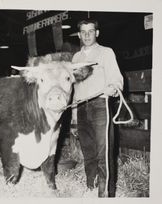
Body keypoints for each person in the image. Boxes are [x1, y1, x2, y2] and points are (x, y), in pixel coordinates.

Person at [71, 19, 123, 197]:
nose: (87, 35)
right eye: (83, 32)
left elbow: (117, 78)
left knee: (103, 152)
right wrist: (74, 111)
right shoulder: (76, 58)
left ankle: (105, 194)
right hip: (81, 107)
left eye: (90, 31)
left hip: (100, 105)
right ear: (78, 35)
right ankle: (90, 186)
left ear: (97, 33)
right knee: (88, 151)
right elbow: (74, 87)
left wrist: (114, 87)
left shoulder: (106, 53)